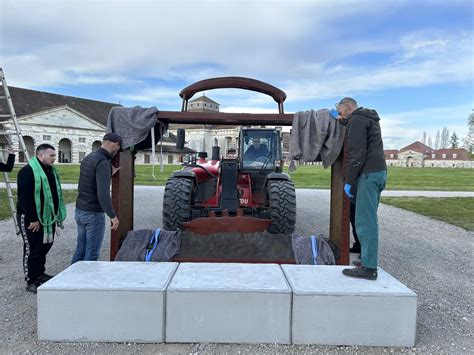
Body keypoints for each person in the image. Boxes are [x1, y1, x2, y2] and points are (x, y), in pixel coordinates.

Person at [336, 97, 387, 280]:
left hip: (367, 174)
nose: (340, 115)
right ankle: (366, 259)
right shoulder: (367, 118)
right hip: (378, 173)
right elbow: (351, 124)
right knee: (367, 218)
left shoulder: (358, 120)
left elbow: (356, 153)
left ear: (349, 107)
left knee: (366, 222)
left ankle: (369, 268)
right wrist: (341, 120)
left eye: (341, 111)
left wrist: (348, 180)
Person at [17, 144, 66, 293]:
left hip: (47, 217)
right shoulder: (27, 172)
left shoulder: (50, 170)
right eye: (51, 155)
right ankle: (31, 280)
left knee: (45, 246)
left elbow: (53, 193)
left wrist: (56, 214)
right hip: (32, 219)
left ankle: (39, 273)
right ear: (41, 155)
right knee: (33, 248)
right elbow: (25, 198)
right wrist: (33, 219)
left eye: (54, 155)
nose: (54, 158)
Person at [71, 133, 122, 264]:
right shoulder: (103, 162)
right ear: (114, 144)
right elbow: (103, 194)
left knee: (81, 249)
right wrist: (113, 216)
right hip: (93, 213)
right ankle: (85, 283)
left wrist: (108, 173)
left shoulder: (90, 157)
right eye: (118, 148)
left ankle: (70, 281)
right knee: (92, 253)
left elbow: (90, 180)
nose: (117, 152)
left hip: (80, 210)